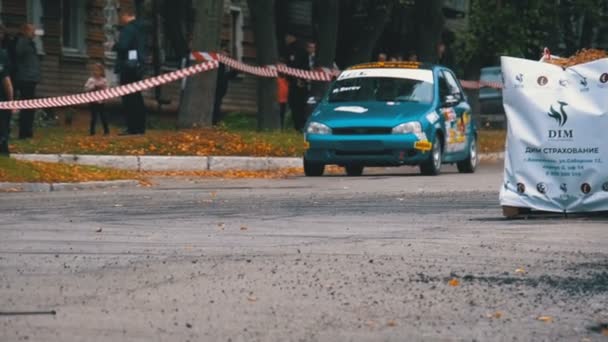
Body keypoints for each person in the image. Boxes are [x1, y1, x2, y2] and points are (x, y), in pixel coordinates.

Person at [114, 8, 147, 135]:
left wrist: (114, 45)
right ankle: (140, 127)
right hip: (137, 67)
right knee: (137, 97)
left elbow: (123, 46)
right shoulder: (140, 29)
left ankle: (132, 127)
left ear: (126, 15)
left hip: (127, 67)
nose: (120, 19)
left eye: (121, 15)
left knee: (129, 99)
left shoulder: (128, 29)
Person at [14, 23, 41, 140]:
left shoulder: (31, 44)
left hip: (31, 78)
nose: (34, 33)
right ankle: (24, 133)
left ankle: (28, 132)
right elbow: (18, 54)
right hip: (25, 78)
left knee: (30, 107)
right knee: (26, 107)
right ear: (25, 31)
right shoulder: (22, 42)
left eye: (34, 30)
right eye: (31, 31)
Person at [212, 48, 238, 126]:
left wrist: (235, 71)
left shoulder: (226, 64)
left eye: (227, 53)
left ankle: (215, 121)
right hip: (216, 87)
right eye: (223, 53)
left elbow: (229, 76)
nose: (225, 55)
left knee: (218, 104)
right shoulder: (218, 64)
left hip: (222, 88)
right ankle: (214, 121)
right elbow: (221, 76)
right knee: (215, 104)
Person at [0, 24, 15, 156]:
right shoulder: (2, 55)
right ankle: (3, 148)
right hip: (2, 99)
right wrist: (11, 101)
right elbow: (6, 80)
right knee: (3, 124)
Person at [84, 63, 109, 136]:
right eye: (94, 70)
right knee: (93, 117)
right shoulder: (91, 80)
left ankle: (106, 131)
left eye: (98, 70)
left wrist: (105, 96)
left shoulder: (104, 80)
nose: (96, 72)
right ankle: (92, 132)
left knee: (103, 116)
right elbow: (86, 88)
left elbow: (107, 90)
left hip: (101, 101)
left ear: (101, 71)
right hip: (93, 101)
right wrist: (93, 87)